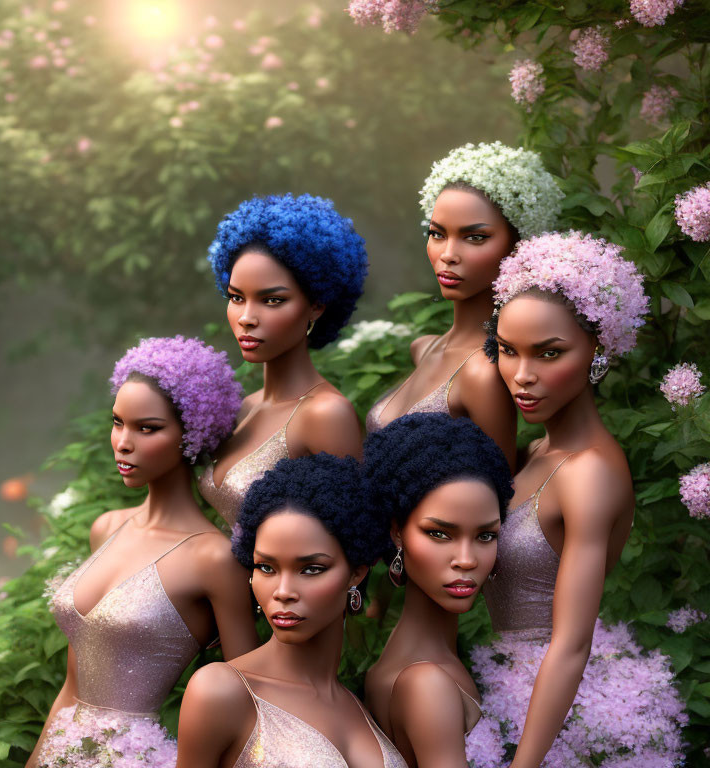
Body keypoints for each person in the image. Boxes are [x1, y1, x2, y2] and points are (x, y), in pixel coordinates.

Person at [473, 232, 685, 767]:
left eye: (549, 354)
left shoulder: (589, 473)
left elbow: (571, 643)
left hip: (560, 714)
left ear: (599, 347)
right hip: (504, 683)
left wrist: (525, 764)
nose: (522, 376)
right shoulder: (535, 452)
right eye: (507, 350)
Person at [28, 336, 259, 768]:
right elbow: (72, 685)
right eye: (118, 423)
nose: (123, 442)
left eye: (147, 428)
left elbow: (246, 701)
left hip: (137, 757)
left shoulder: (213, 558)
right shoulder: (107, 528)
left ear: (192, 432)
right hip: (61, 751)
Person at [177, 453, 408, 768]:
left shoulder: (359, 705)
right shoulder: (221, 691)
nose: (283, 592)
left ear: (357, 572)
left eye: (311, 569)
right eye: (266, 567)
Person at [366, 141, 564, 472]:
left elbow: (496, 505)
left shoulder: (485, 373)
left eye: (474, 237)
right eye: (437, 234)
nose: (448, 254)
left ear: (519, 245)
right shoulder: (426, 348)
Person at [199, 194, 367, 526]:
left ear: (317, 305)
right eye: (236, 297)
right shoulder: (245, 408)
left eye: (272, 300)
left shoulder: (325, 415)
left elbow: (352, 550)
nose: (246, 317)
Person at [363, 414, 513, 768]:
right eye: (440, 534)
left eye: (485, 536)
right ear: (396, 531)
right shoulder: (426, 685)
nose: (466, 560)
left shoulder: (397, 667)